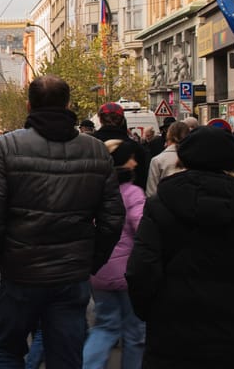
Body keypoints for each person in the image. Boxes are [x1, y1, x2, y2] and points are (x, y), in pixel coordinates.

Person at [0, 75, 124, 368]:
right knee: (66, 356)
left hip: (20, 271)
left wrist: (0, 258)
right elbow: (112, 219)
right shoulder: (95, 150)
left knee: (9, 352)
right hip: (71, 274)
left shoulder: (7, 146)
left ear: (30, 105)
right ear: (68, 104)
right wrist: (90, 261)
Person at [126, 127, 234, 369]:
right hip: (233, 329)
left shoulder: (161, 204)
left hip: (171, 327)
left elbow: (141, 269)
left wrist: (151, 311)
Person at [82, 139, 146, 369]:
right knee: (135, 332)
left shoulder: (94, 189)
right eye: (131, 157)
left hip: (99, 268)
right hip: (129, 271)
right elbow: (142, 227)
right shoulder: (133, 193)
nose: (135, 161)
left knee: (104, 326)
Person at [94, 102, 149, 190]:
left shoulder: (90, 143)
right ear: (123, 121)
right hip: (130, 199)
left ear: (100, 120)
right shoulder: (136, 147)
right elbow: (142, 178)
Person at [145, 121, 190, 197]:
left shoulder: (158, 160)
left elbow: (151, 193)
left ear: (168, 135)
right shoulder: (193, 157)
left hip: (164, 204)